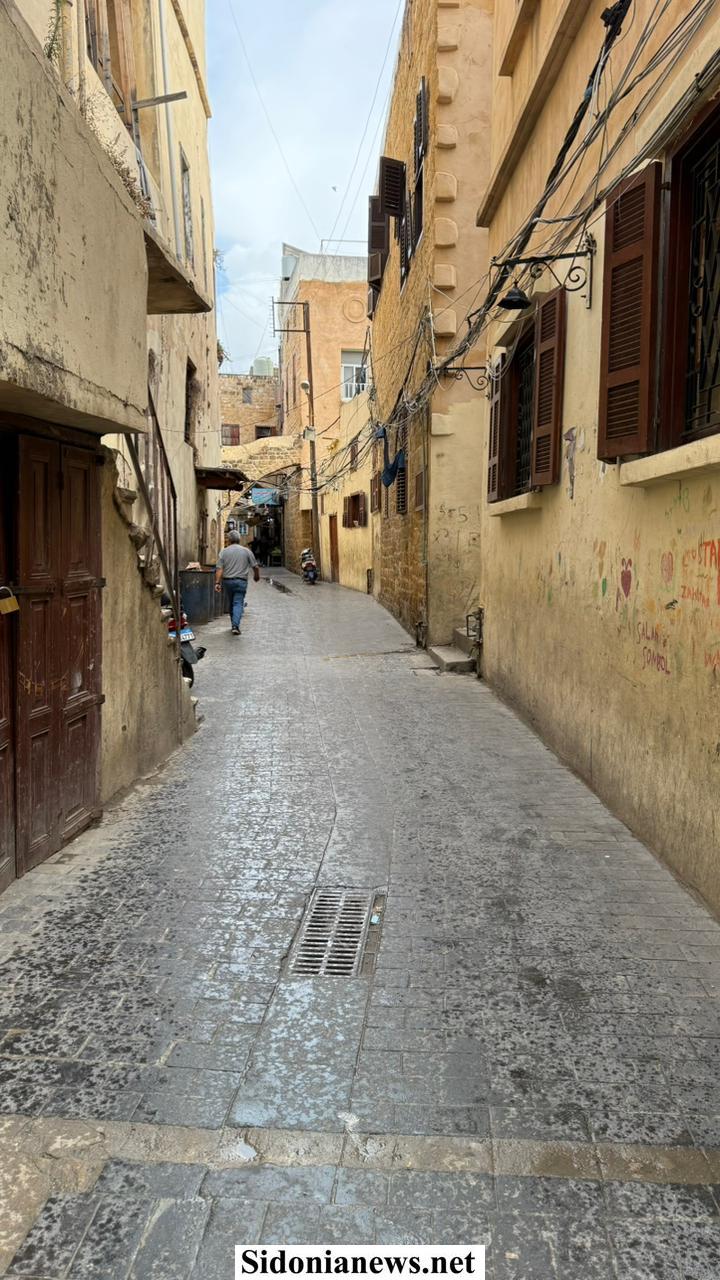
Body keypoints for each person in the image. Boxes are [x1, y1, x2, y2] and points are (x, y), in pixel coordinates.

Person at [215, 531, 259, 634]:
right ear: (239, 539)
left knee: (231, 602)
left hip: (228, 582)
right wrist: (256, 576)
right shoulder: (246, 551)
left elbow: (219, 568)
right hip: (241, 582)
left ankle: (233, 624)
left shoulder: (224, 552)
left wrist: (217, 582)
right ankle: (235, 626)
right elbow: (255, 566)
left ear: (229, 540)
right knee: (238, 603)